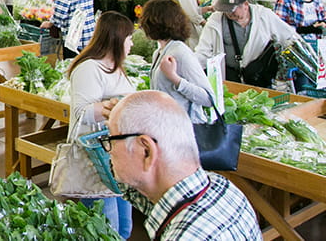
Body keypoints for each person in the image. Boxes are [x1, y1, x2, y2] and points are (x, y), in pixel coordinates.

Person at [106, 91, 261, 240]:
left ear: (146, 151)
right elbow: (135, 191)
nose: (109, 150)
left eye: (111, 141)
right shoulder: (222, 187)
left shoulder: (185, 236)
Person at [67, 11, 137, 239]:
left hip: (116, 161)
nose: (132, 43)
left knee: (124, 227)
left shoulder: (115, 66)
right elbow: (80, 112)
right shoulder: (89, 68)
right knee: (106, 229)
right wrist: (113, 108)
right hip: (95, 161)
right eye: (129, 38)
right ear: (116, 39)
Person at [195, 0, 301, 89]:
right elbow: (203, 51)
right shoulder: (216, 21)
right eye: (225, 10)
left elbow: (289, 36)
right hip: (229, 76)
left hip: (258, 76)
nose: (228, 13)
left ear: (245, 4)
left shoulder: (263, 15)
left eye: (232, 10)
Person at [139, 0, 214, 123]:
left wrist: (176, 79)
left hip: (184, 129)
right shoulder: (159, 52)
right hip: (167, 125)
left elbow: (208, 99)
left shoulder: (180, 53)